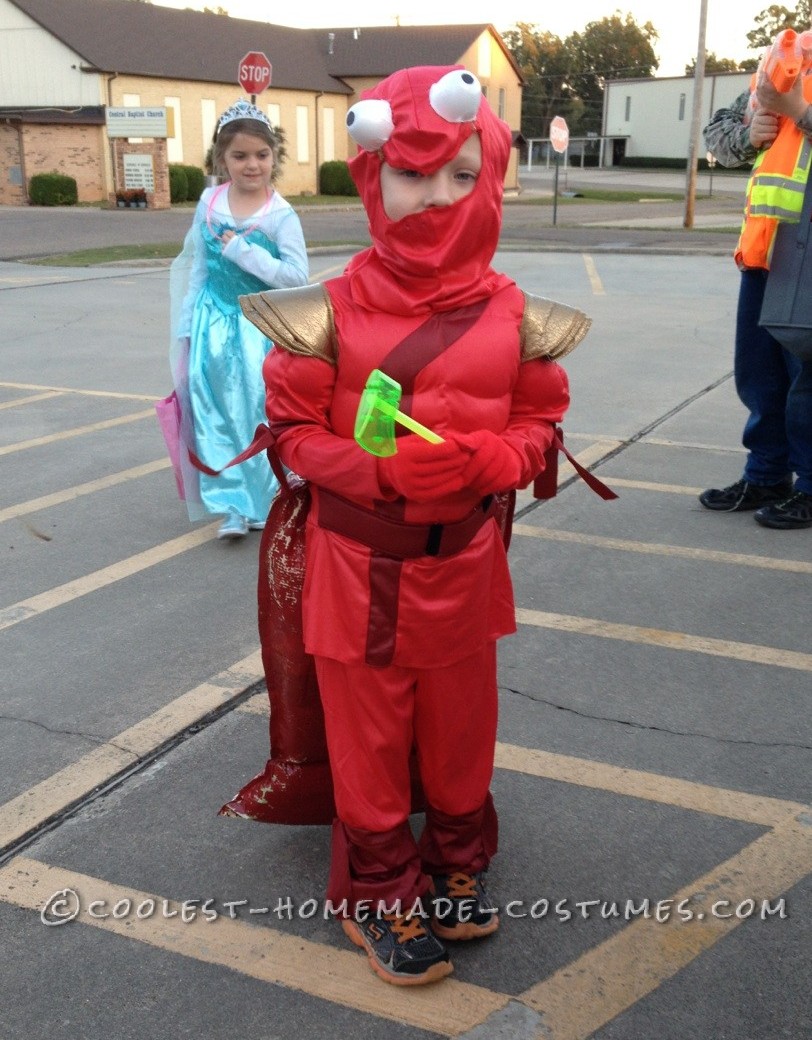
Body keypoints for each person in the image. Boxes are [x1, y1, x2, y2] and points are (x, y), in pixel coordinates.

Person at [237, 66, 592, 986]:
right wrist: (381, 471)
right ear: (371, 181)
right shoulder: (322, 313)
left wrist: (493, 462)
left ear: (492, 179)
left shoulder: (517, 316)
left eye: (461, 176)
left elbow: (539, 425)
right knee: (369, 740)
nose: (436, 199)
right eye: (412, 175)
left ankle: (456, 860)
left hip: (466, 565)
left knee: (463, 727)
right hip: (357, 568)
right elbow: (292, 437)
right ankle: (381, 891)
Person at [169, 99, 309, 539]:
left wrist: (244, 252)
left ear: (273, 158)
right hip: (213, 323)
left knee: (257, 411)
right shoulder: (210, 202)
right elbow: (199, 270)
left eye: (261, 155)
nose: (252, 165)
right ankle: (230, 502)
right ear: (222, 160)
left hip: (258, 327)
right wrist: (188, 326)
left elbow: (296, 277)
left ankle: (263, 498)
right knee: (213, 411)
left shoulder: (280, 214)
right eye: (240, 156)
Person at [700, 66, 812, 529]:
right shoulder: (785, 63)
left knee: (806, 379)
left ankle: (808, 484)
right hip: (766, 250)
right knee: (759, 373)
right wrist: (748, 134)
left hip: (807, 259)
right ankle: (766, 475)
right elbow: (716, 135)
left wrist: (799, 113)